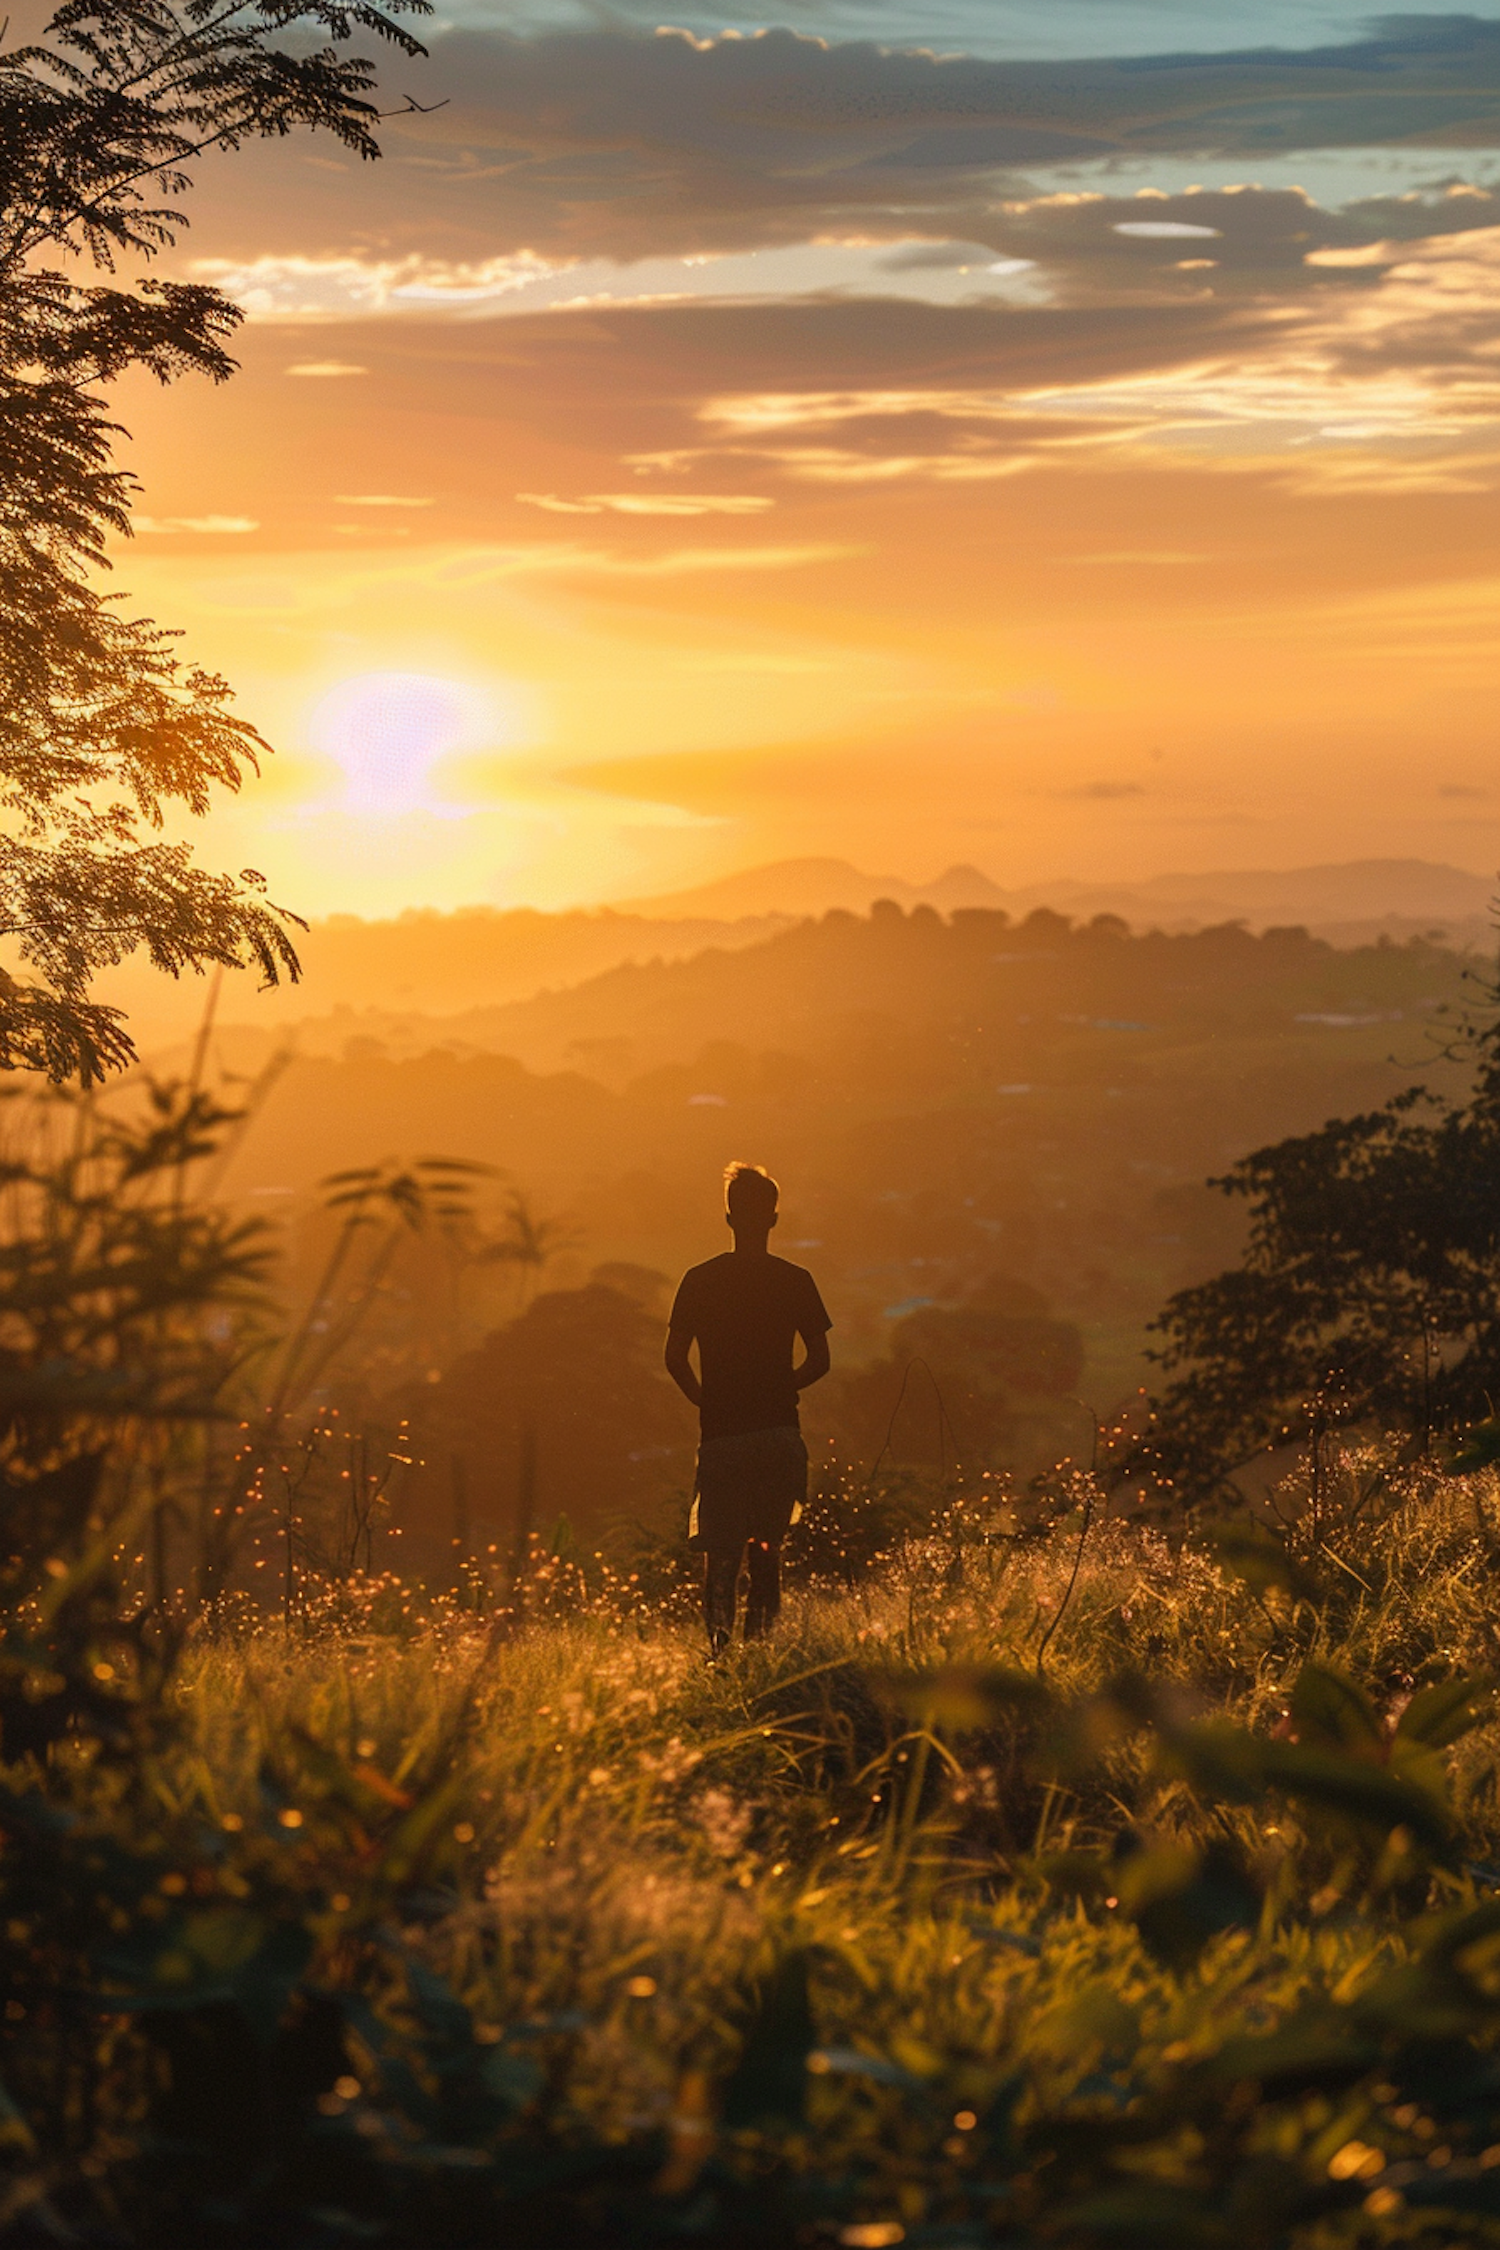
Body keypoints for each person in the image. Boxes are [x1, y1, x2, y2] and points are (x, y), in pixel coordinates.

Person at [665, 1163, 832, 1652]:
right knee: (767, 1553)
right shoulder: (796, 1280)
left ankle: (721, 1656)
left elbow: (674, 1358)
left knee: (721, 1558)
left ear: (728, 1217)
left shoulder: (699, 1281)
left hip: (721, 1438)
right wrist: (784, 1389)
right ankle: (762, 1654)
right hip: (779, 1434)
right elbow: (820, 1360)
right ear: (774, 1219)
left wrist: (705, 1398)